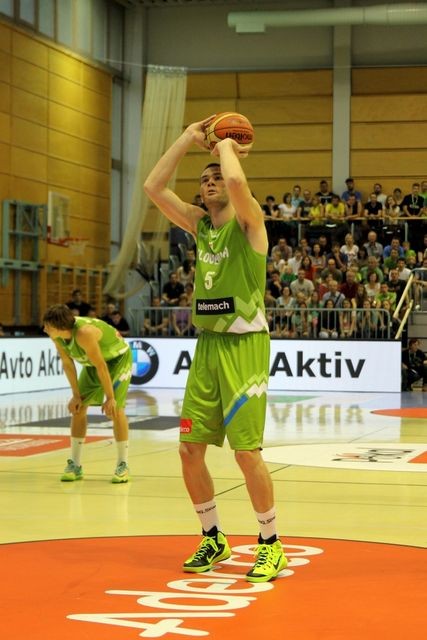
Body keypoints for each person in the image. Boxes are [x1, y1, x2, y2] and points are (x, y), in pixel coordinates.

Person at [144, 115, 287, 582]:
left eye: (214, 178)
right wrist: (188, 137)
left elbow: (234, 178)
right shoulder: (199, 226)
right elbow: (153, 186)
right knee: (189, 449)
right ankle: (213, 537)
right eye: (201, 181)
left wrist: (225, 143)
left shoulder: (250, 224)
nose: (209, 184)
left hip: (244, 346)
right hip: (206, 347)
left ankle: (270, 543)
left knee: (246, 453)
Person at [42, 304, 132, 483]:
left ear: (60, 327)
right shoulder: (57, 337)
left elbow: (102, 366)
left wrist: (110, 398)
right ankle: (75, 465)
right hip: (95, 364)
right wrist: (76, 395)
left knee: (116, 410)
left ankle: (123, 464)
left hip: (116, 361)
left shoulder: (84, 333)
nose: (44, 329)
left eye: (48, 326)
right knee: (79, 407)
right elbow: (68, 364)